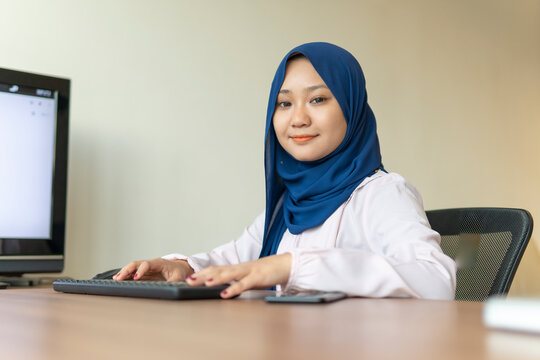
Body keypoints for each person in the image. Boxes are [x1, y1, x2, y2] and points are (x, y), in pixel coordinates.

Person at [114, 42, 457, 300]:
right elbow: (236, 258)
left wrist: (293, 265)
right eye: (284, 103)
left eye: (318, 99)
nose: (298, 119)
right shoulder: (288, 203)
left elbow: (436, 281)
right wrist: (185, 267)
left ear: (352, 109)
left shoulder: (382, 193)